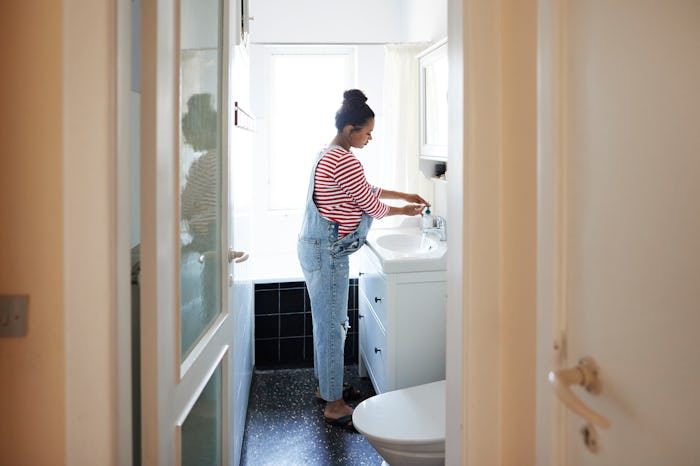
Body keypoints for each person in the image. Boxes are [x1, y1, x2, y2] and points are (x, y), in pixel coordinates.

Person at [297, 89, 428, 431]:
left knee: (326, 323)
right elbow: (372, 206)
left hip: (316, 246)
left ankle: (327, 387)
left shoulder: (327, 153)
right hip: (328, 252)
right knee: (332, 326)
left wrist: (404, 193)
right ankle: (335, 406)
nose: (370, 139)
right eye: (367, 133)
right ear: (350, 129)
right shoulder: (344, 159)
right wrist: (406, 209)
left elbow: (365, 189)